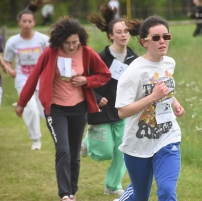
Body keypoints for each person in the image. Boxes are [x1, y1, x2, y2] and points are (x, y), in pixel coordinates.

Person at [15, 16, 111, 201]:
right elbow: (33, 77)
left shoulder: (86, 52)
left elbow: (104, 74)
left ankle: (72, 190)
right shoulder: (50, 53)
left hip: (79, 108)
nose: (72, 46)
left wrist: (87, 80)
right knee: (63, 149)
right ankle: (65, 194)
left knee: (74, 153)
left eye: (75, 42)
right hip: (56, 109)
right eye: (67, 43)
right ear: (60, 41)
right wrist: (22, 103)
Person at [113, 15, 185, 201]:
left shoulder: (169, 63)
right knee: (140, 197)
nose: (162, 41)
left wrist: (174, 102)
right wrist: (152, 97)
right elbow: (122, 111)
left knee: (167, 191)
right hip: (139, 142)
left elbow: (165, 89)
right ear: (145, 42)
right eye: (156, 38)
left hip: (167, 136)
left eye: (166, 37)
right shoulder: (134, 71)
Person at [81, 4, 138, 196]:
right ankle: (88, 143)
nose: (123, 35)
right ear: (110, 35)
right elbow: (85, 81)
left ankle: (112, 186)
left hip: (123, 111)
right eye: (119, 32)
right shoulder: (99, 57)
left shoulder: (133, 59)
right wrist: (96, 98)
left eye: (126, 32)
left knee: (122, 150)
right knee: (104, 152)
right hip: (100, 110)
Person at [3, 2, 49, 150]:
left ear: (34, 22)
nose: (27, 24)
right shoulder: (13, 42)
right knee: (32, 110)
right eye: (24, 21)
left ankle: (22, 105)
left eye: (30, 21)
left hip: (41, 80)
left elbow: (52, 58)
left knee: (42, 112)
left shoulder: (43, 39)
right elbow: (7, 61)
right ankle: (36, 140)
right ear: (19, 23)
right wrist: (9, 70)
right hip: (23, 80)